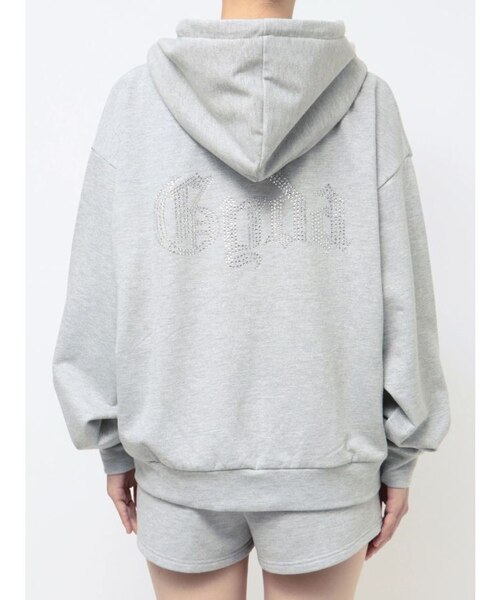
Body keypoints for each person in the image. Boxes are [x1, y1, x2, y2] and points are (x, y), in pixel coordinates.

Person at [52, 0, 451, 598]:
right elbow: (405, 290)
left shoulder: (135, 102)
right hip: (326, 466)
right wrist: (402, 451)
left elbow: (97, 285)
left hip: (179, 462)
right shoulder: (368, 103)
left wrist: (110, 443)